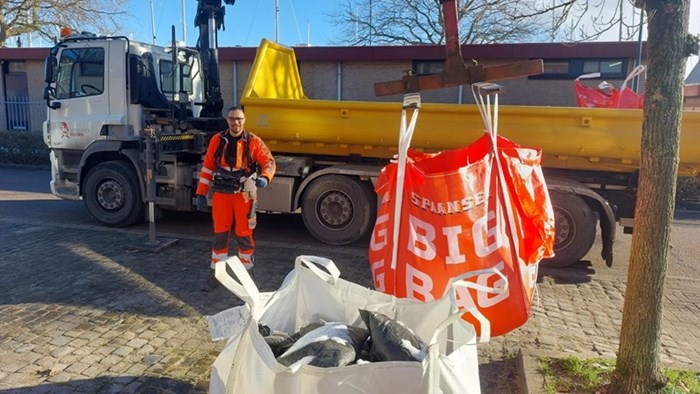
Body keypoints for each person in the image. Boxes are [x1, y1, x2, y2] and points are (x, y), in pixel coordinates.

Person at [196, 106, 276, 291]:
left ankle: (247, 274)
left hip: (244, 195)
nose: (235, 122)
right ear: (227, 120)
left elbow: (268, 162)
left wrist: (265, 177)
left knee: (244, 235)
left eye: (239, 119)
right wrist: (200, 193)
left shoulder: (253, 141)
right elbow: (208, 167)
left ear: (244, 120)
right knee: (220, 236)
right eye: (232, 118)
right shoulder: (218, 140)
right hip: (222, 195)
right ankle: (217, 274)